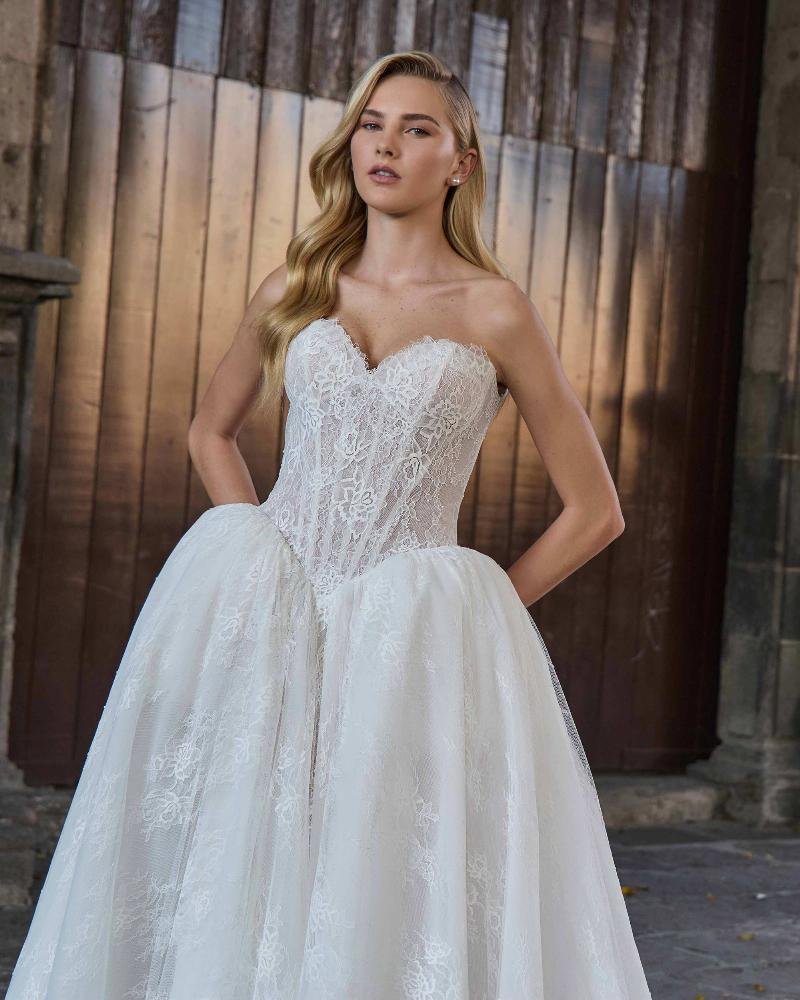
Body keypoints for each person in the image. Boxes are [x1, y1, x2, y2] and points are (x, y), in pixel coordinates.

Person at [7, 49, 652, 999]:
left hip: (407, 643)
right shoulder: (296, 285)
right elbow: (209, 428)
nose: (386, 143)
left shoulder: (494, 309)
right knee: (241, 843)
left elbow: (596, 510)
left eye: (417, 128)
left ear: (461, 161)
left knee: (374, 860)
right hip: (269, 620)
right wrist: (253, 552)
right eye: (372, 123)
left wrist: (469, 611)